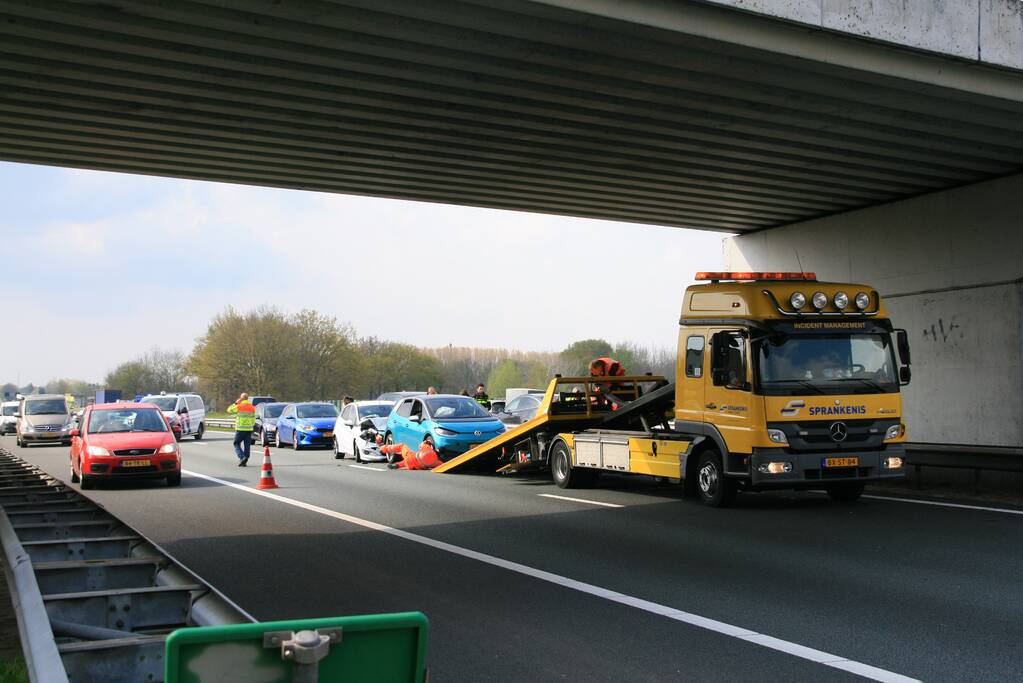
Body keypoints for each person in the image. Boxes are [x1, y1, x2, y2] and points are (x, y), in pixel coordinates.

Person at [226, 393, 256, 466]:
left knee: (236, 443)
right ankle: (245, 459)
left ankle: (242, 457)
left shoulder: (239, 406)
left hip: (240, 428)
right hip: (249, 429)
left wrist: (236, 403)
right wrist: (251, 426)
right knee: (247, 445)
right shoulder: (252, 407)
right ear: (247, 398)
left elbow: (229, 410)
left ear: (241, 398)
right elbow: (253, 419)